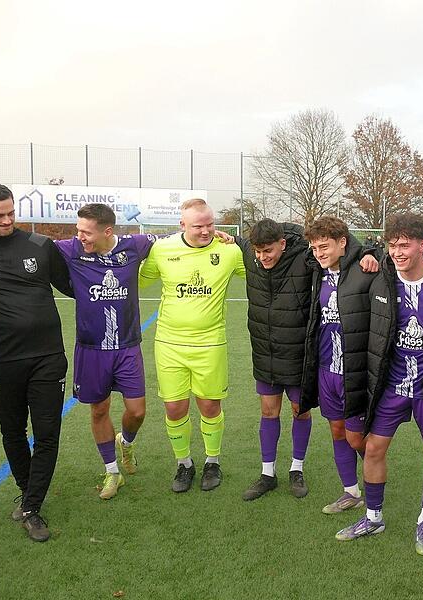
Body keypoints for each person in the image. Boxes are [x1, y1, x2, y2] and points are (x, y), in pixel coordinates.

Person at [336, 213, 423, 557]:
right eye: (392, 245)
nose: (397, 252)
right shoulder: (381, 278)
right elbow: (348, 254)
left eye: (405, 245)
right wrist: (369, 253)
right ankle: (373, 517)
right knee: (373, 448)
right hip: (392, 385)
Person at [238, 219, 379, 501]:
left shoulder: (306, 257)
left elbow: (338, 243)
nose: (263, 256)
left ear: (282, 243)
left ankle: (297, 468)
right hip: (265, 352)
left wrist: (368, 252)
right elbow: (232, 241)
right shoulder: (249, 252)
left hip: (299, 353)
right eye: (258, 251)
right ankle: (267, 474)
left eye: (268, 250)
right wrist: (220, 236)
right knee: (268, 411)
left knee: (300, 411)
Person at [0, 182, 73, 542]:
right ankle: (27, 492)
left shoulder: (39, 245)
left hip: (48, 357)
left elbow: (74, 286)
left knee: (47, 433)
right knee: (12, 431)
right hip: (4, 358)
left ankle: (32, 506)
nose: (8, 220)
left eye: (11, 212)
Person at [139, 198, 245, 493]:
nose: (206, 231)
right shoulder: (163, 249)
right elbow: (139, 281)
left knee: (209, 405)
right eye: (198, 226)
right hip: (169, 343)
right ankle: (184, 463)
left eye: (210, 224)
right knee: (174, 407)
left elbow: (262, 270)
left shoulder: (229, 251)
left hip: (210, 343)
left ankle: (212, 461)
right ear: (182, 225)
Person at [55, 203, 153, 500]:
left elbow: (174, 239)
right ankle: (112, 471)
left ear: (107, 231)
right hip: (92, 348)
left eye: (86, 232)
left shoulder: (134, 246)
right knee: (99, 409)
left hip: (127, 346)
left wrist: (217, 236)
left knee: (137, 411)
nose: (79, 236)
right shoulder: (71, 249)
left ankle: (127, 442)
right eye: (78, 230)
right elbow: (33, 248)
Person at [300, 216, 377, 513]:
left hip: (353, 371)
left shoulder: (364, 271)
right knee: (336, 430)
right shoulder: (316, 272)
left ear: (343, 243)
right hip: (325, 369)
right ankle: (351, 492)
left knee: (356, 437)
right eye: (314, 247)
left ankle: (375, 479)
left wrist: (370, 252)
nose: (319, 253)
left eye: (325, 246)